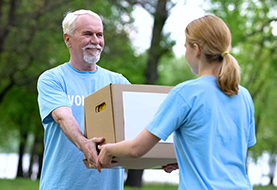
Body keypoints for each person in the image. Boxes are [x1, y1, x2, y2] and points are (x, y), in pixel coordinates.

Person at [97, 15, 256, 190]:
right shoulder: (243, 95)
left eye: (185, 46)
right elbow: (231, 153)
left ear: (196, 50)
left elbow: (137, 149)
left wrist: (108, 150)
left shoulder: (186, 93)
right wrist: (185, 161)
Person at [37, 9, 130, 190]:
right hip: (61, 185)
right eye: (88, 34)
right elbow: (62, 117)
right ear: (67, 39)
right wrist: (84, 144)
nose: (95, 41)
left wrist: (163, 157)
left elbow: (138, 126)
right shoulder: (53, 79)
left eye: (99, 34)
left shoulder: (118, 82)